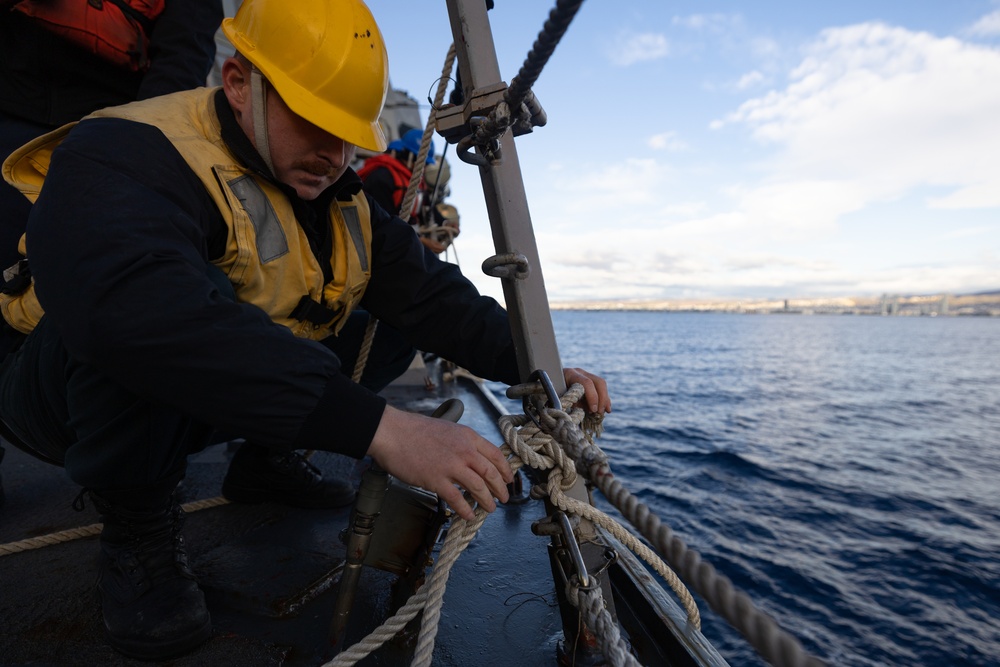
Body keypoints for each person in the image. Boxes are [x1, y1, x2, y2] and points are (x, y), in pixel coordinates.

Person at [0, 0, 611, 660]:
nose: (334, 153)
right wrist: (385, 428)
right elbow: (137, 314)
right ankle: (137, 533)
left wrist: (536, 364)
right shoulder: (123, 148)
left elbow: (435, 299)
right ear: (238, 83)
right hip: (57, 397)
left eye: (349, 134)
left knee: (392, 322)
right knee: (156, 312)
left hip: (202, 397)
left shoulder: (342, 195)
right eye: (314, 122)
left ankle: (266, 460)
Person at [0, 0, 225, 507]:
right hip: (10, 99)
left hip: (108, 122)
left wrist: (135, 143)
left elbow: (183, 50)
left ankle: (139, 492)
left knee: (138, 287)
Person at [358, 127, 458, 254]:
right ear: (412, 157)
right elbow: (382, 223)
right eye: (425, 162)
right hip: (381, 248)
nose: (426, 166)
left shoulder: (415, 181)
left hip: (408, 241)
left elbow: (426, 208)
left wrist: (445, 223)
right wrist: (421, 240)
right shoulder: (381, 177)